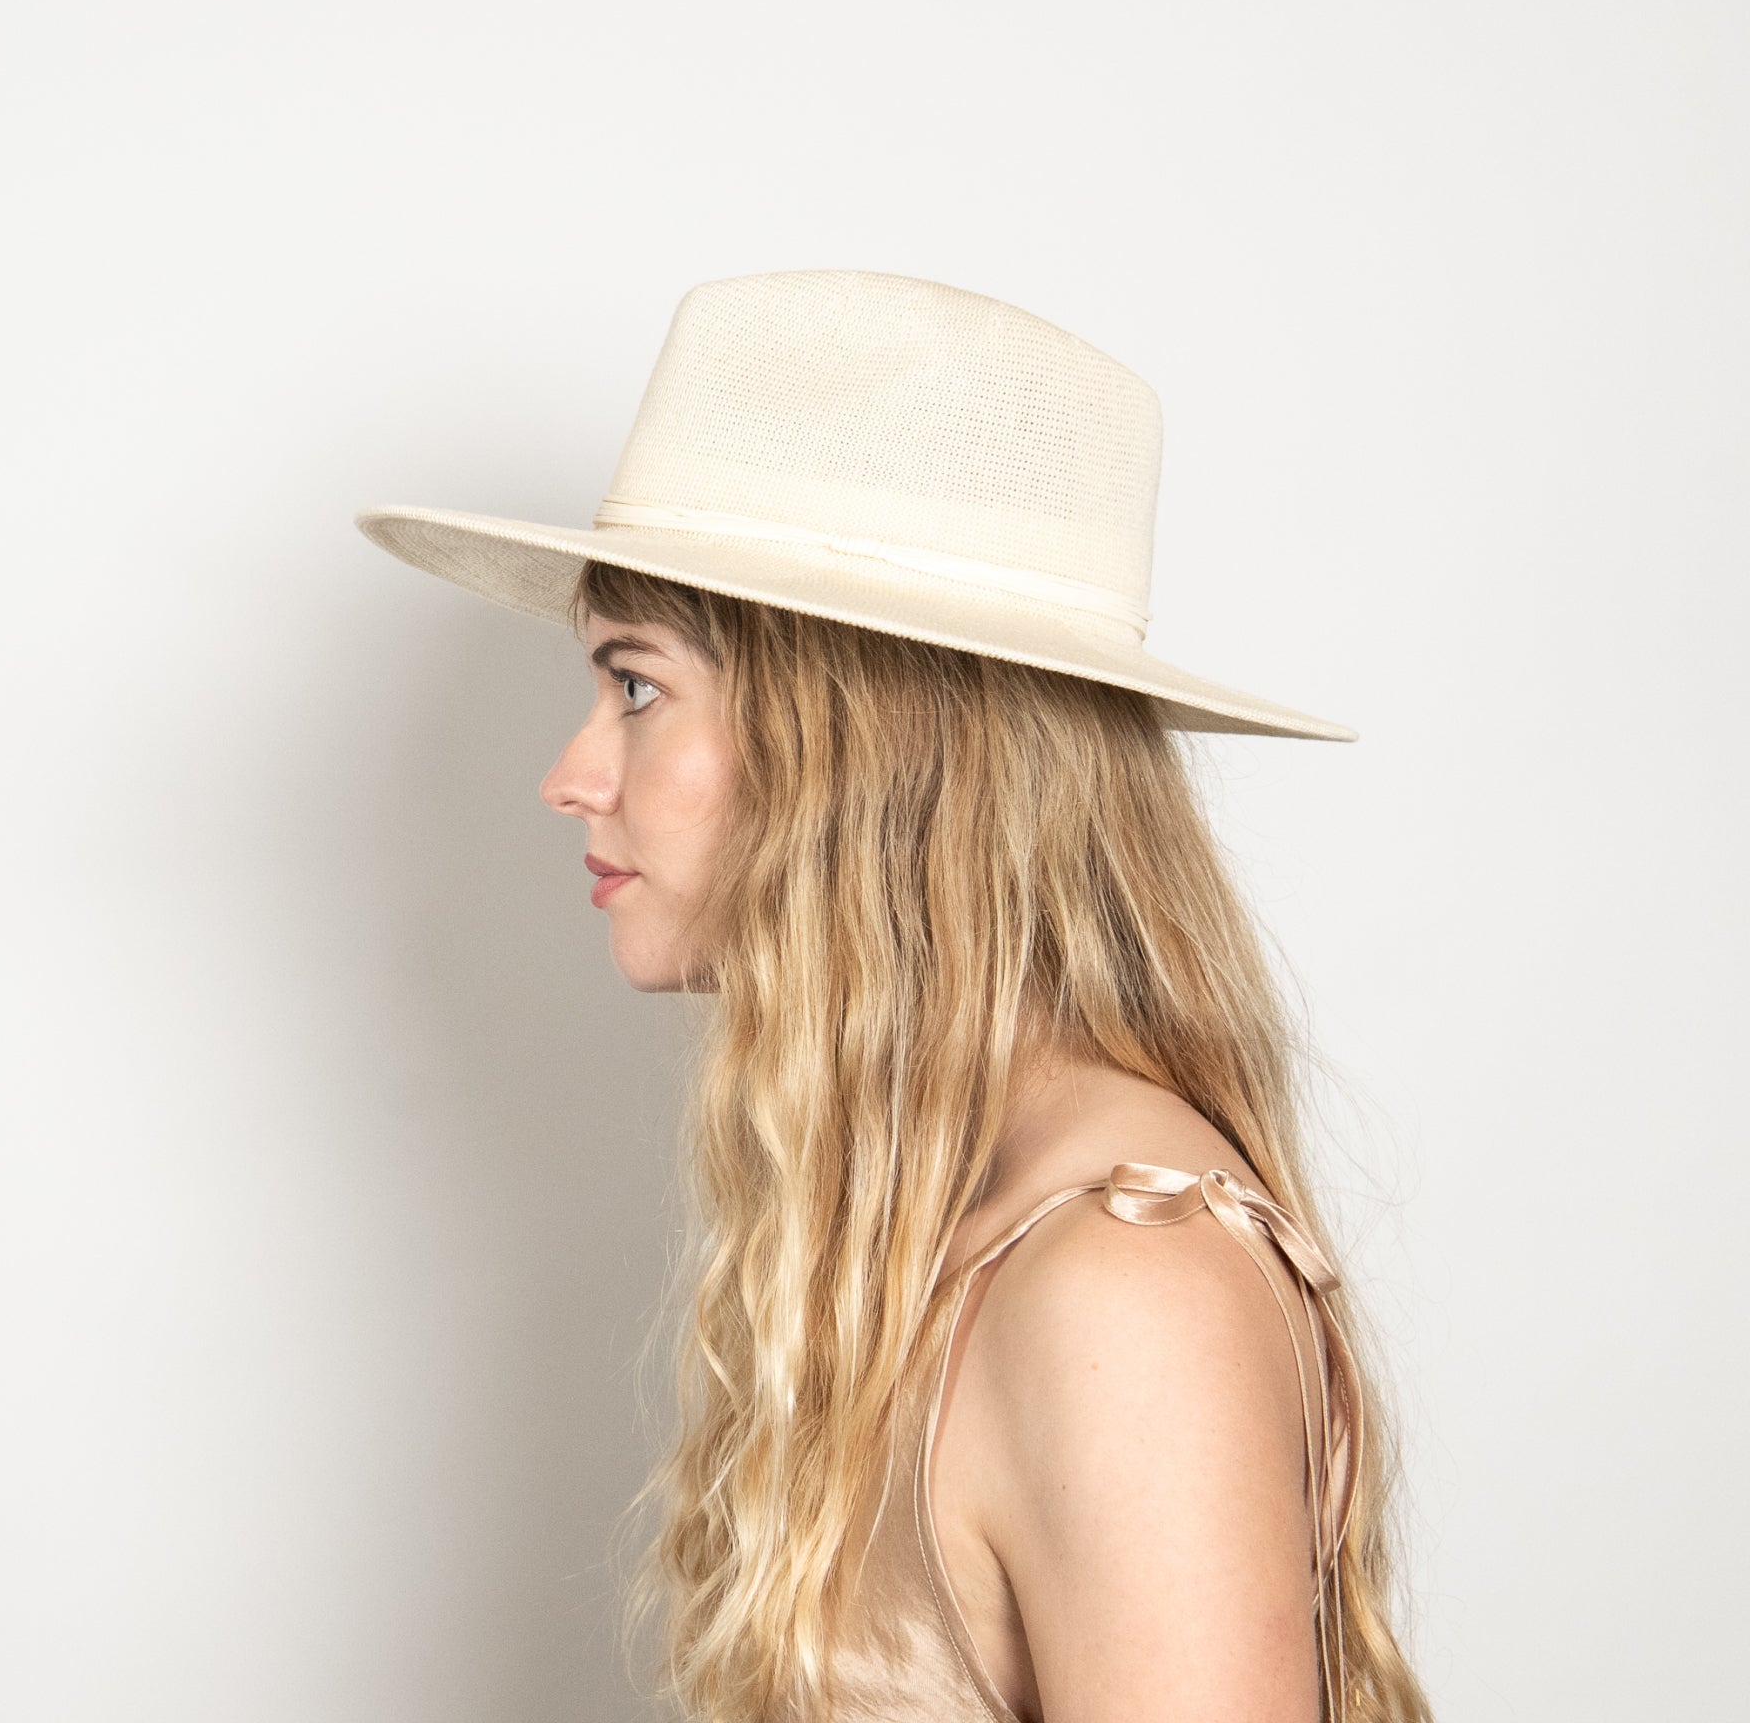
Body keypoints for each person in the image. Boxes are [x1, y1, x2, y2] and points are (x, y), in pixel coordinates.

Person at [356, 270, 1430, 1723]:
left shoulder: (1125, 1288)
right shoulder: (942, 1214)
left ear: (867, 745)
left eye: (638, 686)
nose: (572, 775)